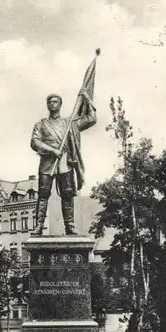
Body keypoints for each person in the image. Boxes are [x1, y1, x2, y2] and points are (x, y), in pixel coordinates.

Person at [30, 90, 97, 236]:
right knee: (43, 194)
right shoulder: (41, 125)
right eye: (50, 102)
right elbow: (35, 142)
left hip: (65, 163)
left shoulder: (69, 123)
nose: (53, 104)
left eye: (56, 101)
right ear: (47, 105)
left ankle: (70, 226)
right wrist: (52, 150)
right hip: (47, 163)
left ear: (60, 105)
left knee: (67, 195)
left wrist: (87, 100)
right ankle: (39, 225)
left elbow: (91, 119)